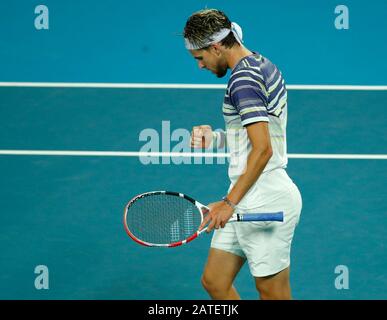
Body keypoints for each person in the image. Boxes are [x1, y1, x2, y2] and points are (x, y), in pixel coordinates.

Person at [183, 9, 302, 300]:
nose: (200, 66)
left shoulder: (243, 82)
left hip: (264, 197)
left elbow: (263, 150)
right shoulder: (259, 64)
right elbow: (255, 137)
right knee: (215, 281)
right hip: (248, 193)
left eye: (200, 58)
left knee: (272, 292)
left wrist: (228, 203)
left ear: (216, 47)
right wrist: (214, 139)